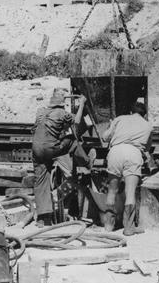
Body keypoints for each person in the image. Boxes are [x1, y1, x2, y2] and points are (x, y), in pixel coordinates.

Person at [32, 89, 91, 225]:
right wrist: (81, 103)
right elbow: (76, 121)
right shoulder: (61, 113)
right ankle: (86, 162)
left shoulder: (40, 111)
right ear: (61, 105)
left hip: (35, 149)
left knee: (41, 181)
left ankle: (43, 219)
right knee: (72, 140)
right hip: (50, 148)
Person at [100, 101, 152, 235]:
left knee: (112, 190)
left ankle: (108, 225)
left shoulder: (119, 119)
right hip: (134, 153)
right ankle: (128, 228)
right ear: (144, 115)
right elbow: (146, 148)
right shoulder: (147, 125)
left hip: (115, 152)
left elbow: (105, 137)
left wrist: (110, 126)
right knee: (130, 192)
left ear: (131, 112)